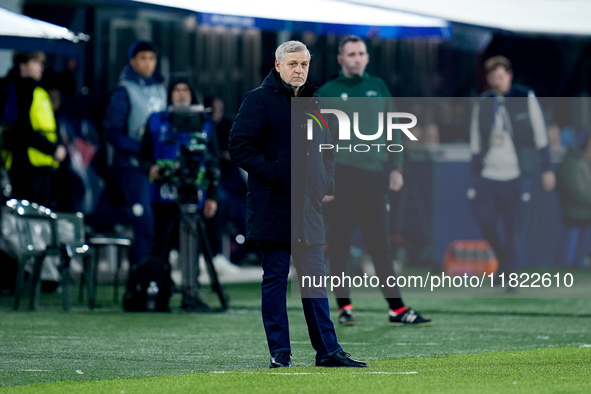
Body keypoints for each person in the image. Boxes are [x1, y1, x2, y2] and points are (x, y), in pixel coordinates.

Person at [229, 40, 366, 368]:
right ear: (278, 65)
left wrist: (324, 184)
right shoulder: (258, 100)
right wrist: (276, 174)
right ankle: (280, 353)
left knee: (315, 280)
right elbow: (238, 145)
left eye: (304, 64)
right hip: (273, 205)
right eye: (292, 64)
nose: (299, 70)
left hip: (308, 207)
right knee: (276, 279)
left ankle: (328, 351)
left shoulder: (314, 101)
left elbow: (327, 147)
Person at [317, 35, 432, 327]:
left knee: (380, 245)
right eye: (351, 54)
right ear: (341, 59)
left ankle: (397, 309)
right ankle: (344, 306)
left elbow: (393, 128)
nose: (357, 58)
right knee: (339, 244)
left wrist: (397, 168)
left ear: (367, 57)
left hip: (372, 175)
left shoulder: (377, 87)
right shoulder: (327, 91)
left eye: (361, 53)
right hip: (340, 176)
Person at [468, 55, 555, 284]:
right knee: (486, 220)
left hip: (516, 173)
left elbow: (540, 135)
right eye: (493, 77)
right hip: (488, 173)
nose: (497, 81)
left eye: (500, 76)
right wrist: (474, 177)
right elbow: (476, 142)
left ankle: (511, 276)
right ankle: (504, 259)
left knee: (512, 225)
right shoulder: (483, 101)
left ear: (509, 75)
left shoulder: (524, 97)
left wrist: (547, 169)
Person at [139, 77, 220, 310]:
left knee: (192, 248)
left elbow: (214, 160)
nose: (181, 94)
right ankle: (157, 293)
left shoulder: (205, 123)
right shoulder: (155, 121)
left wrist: (212, 195)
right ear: (170, 94)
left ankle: (191, 294)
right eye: (177, 90)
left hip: (195, 195)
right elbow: (143, 155)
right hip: (163, 194)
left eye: (186, 89)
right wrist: (151, 168)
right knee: (160, 246)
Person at [104, 41, 167, 267]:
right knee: (144, 223)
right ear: (132, 61)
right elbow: (113, 133)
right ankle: (142, 276)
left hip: (159, 165)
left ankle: (157, 274)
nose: (148, 63)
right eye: (143, 58)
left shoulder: (160, 88)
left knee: (160, 223)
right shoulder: (123, 91)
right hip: (133, 166)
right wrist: (141, 150)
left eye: (152, 58)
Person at [0, 51, 67, 208]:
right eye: (35, 62)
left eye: (42, 63)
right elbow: (22, 130)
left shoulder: (38, 90)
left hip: (43, 165)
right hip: (24, 165)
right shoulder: (17, 90)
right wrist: (53, 149)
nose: (40, 67)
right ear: (22, 65)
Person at [556, 135, 591, 267]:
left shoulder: (584, 163)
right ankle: (577, 260)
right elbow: (580, 193)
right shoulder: (574, 164)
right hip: (576, 209)